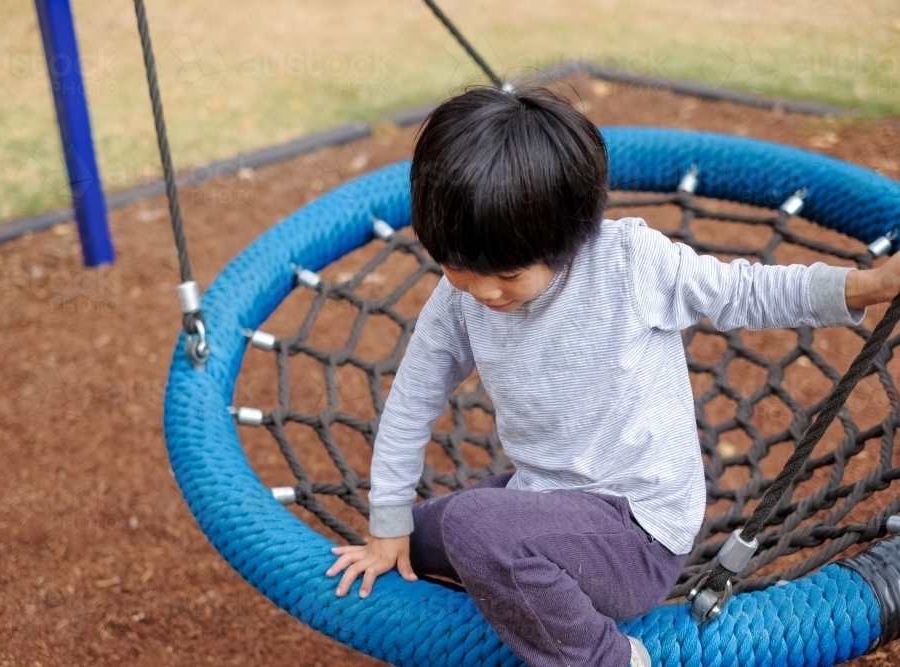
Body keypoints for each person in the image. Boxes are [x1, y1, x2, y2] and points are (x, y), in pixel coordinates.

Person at [324, 84, 900, 667]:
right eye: (455, 267)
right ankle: (527, 600)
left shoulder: (628, 263)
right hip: (548, 501)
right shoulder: (460, 297)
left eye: (508, 274)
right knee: (421, 534)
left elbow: (745, 293)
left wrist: (870, 285)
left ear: (568, 236)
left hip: (638, 533)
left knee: (476, 528)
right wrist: (388, 522)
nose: (482, 290)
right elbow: (411, 402)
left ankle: (606, 658)